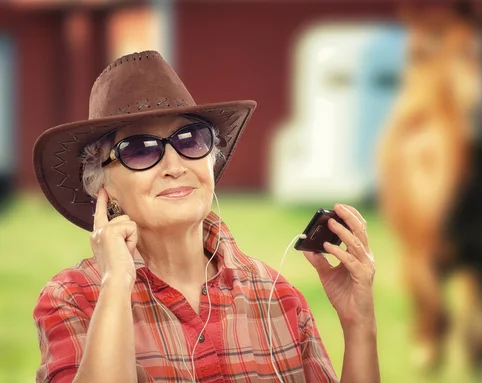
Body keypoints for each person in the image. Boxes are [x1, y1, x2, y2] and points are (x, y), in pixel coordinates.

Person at [32, 51, 379, 383]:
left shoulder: (277, 296)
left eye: (191, 140)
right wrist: (117, 283)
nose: (174, 166)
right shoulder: (74, 297)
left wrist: (358, 321)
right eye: (140, 150)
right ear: (101, 185)